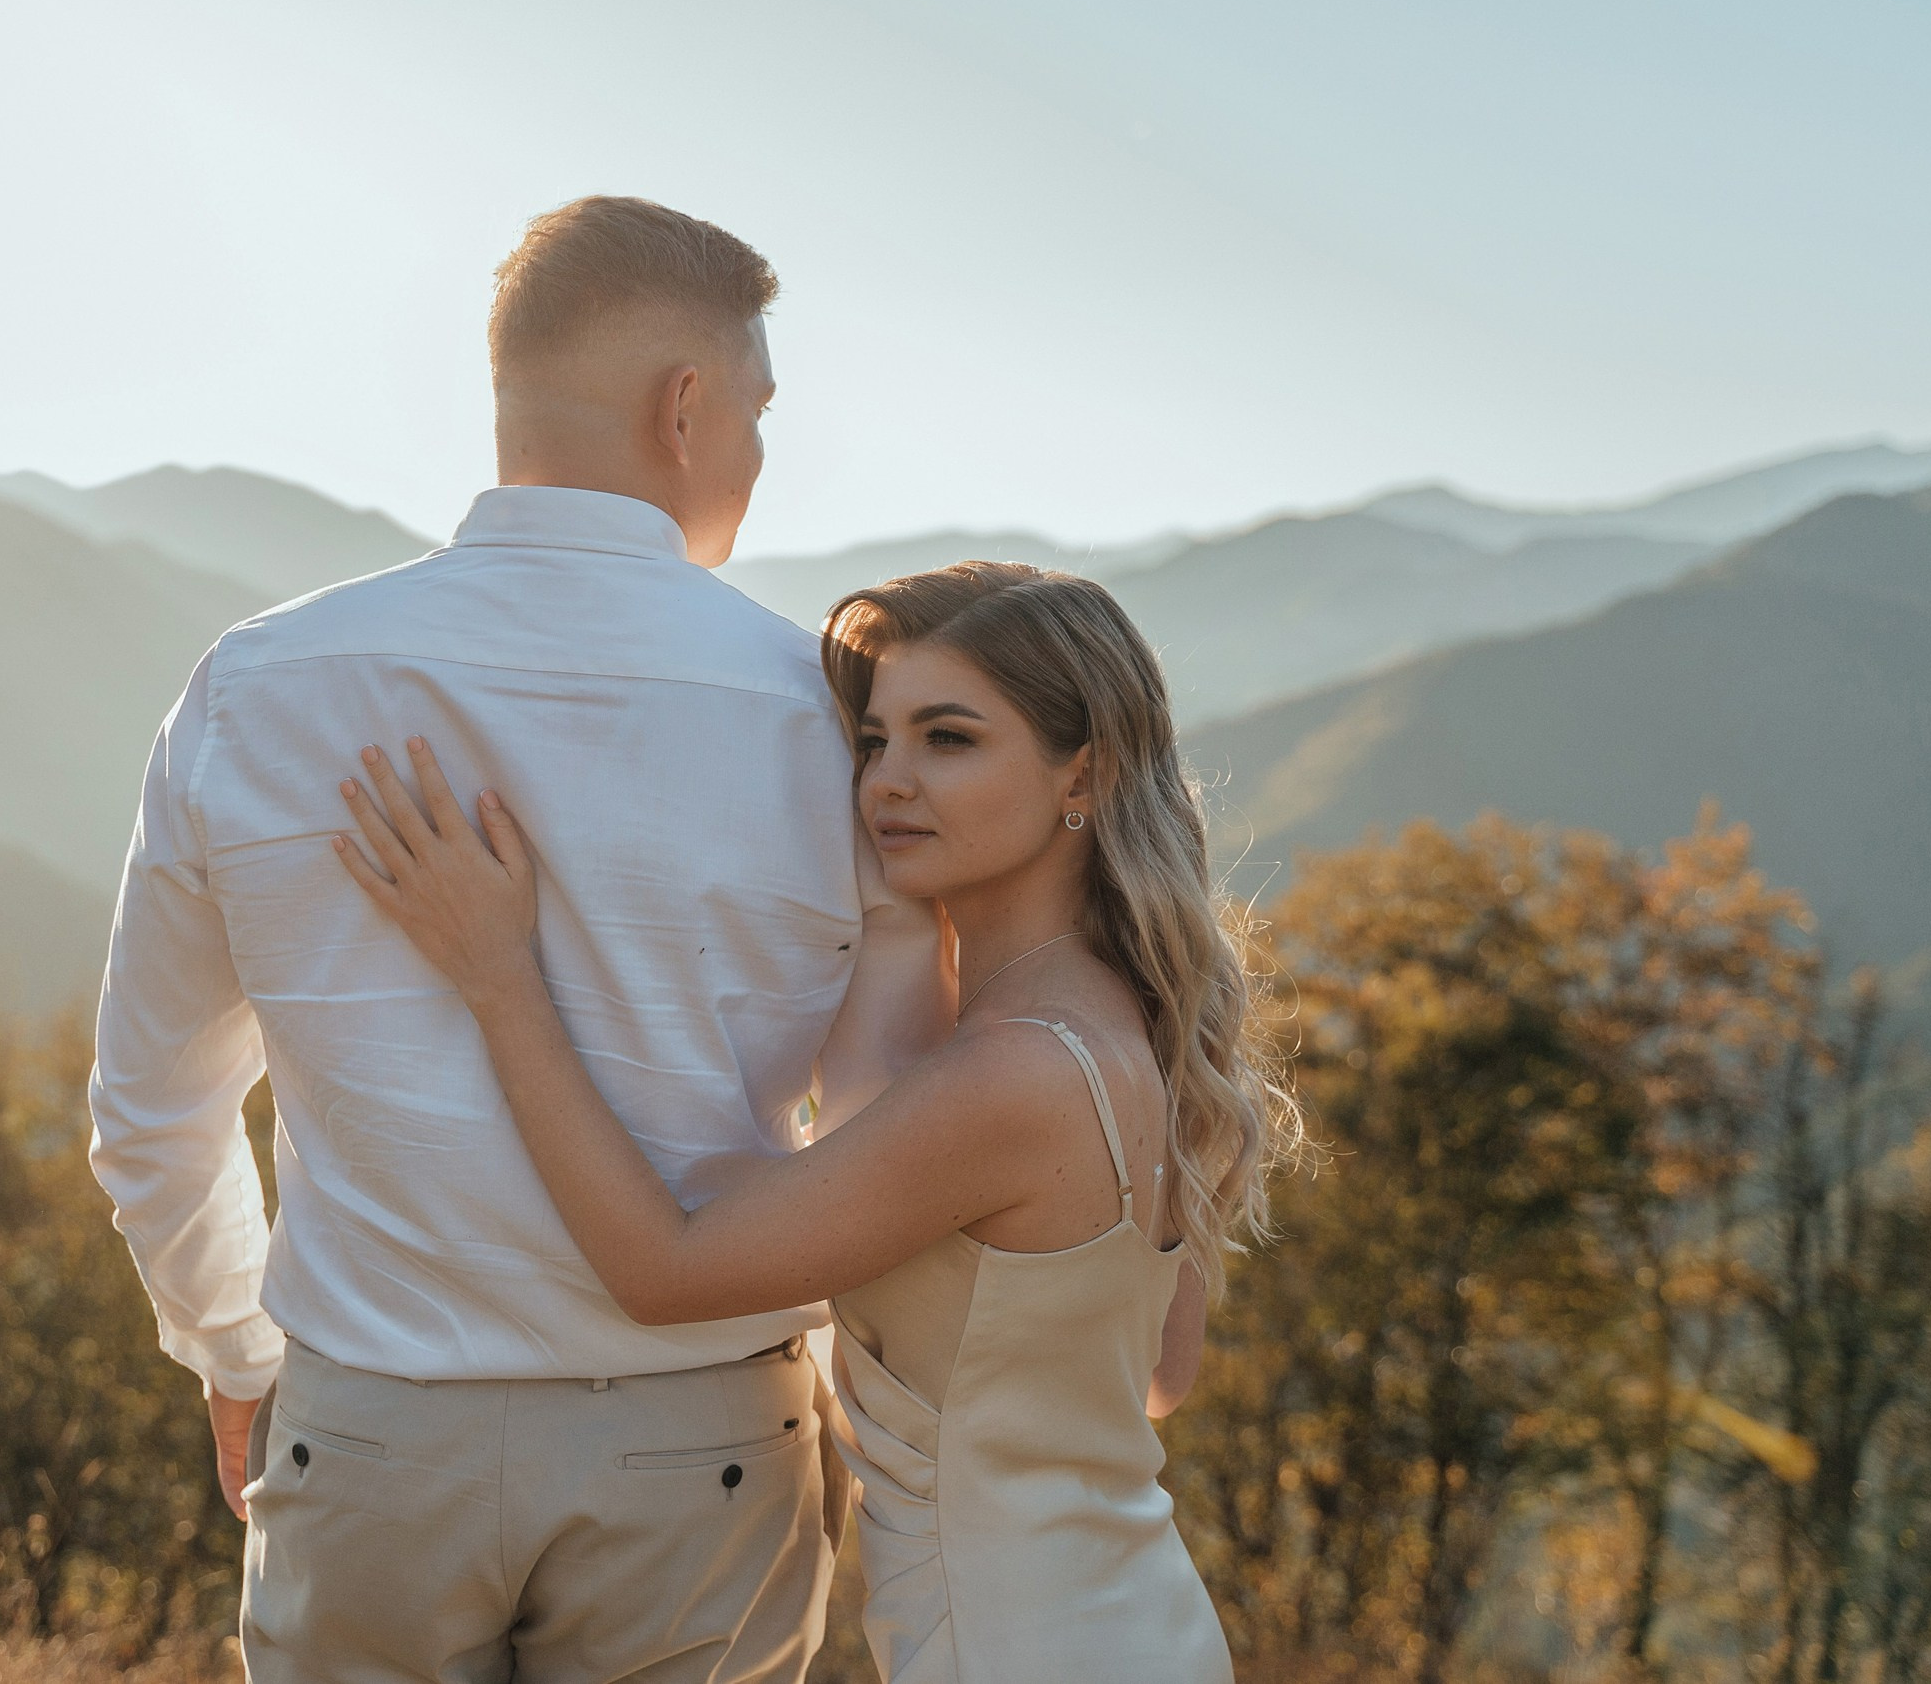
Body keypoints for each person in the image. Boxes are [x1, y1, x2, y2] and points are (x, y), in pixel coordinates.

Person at [87, 195, 950, 1683]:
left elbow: (151, 1109)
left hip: (368, 1427)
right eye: (755, 410)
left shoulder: (259, 686)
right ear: (686, 407)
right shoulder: (825, 715)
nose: (754, 451)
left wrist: (235, 1351)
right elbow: (882, 1130)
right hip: (707, 1440)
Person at [329, 560, 1301, 1682]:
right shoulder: (1132, 1023)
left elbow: (662, 1271)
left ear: (1082, 773)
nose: (888, 781)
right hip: (1137, 1630)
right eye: (875, 742)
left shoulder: (1013, 1074)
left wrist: (499, 975)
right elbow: (1152, 1379)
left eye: (949, 739)